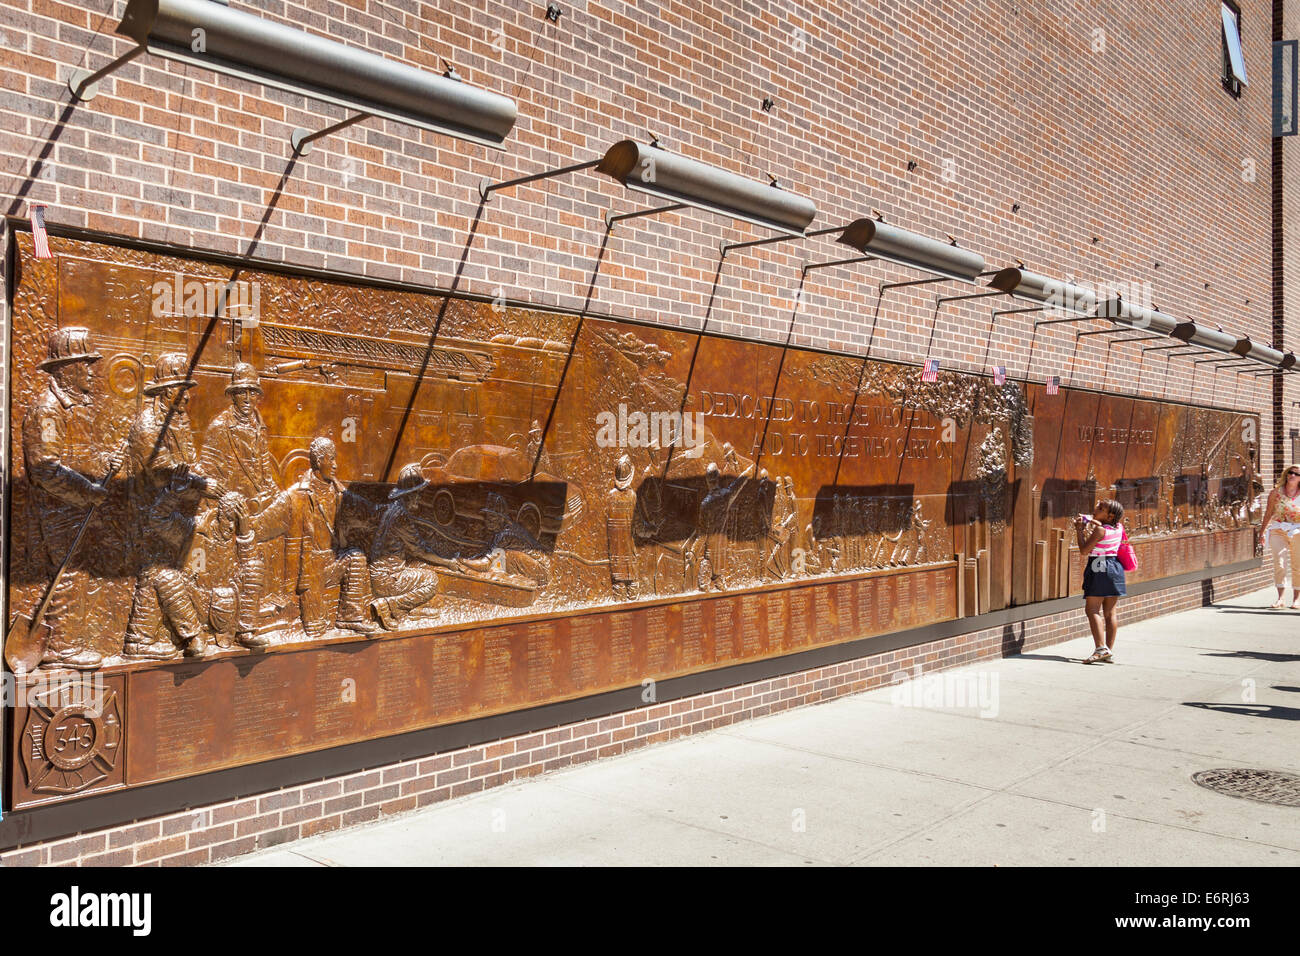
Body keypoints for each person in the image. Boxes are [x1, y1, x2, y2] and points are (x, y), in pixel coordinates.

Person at [22, 328, 122, 670]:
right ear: (67, 370)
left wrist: (104, 460)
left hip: (79, 507)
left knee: (78, 574)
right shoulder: (47, 411)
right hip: (59, 511)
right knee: (66, 573)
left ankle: (70, 641)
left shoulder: (79, 407)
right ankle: (60, 649)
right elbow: (46, 468)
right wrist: (88, 490)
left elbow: (81, 453)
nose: (93, 371)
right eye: (87, 364)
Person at [369, 464, 459, 629]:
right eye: (417, 495)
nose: (419, 499)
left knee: (420, 567)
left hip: (379, 573)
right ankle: (389, 605)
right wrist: (447, 562)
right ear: (408, 496)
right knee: (431, 580)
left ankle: (411, 611)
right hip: (388, 578)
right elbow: (421, 551)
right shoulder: (402, 517)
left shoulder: (391, 510)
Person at [1076, 498, 1127, 664]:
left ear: (1110, 515)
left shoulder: (1099, 531)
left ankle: (1100, 649)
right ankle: (1108, 651)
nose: (1096, 507)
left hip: (1099, 567)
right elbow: (1104, 525)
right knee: (1110, 613)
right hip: (1115, 568)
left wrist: (1079, 529)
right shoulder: (1119, 527)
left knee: (1092, 610)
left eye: (1101, 507)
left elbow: (1084, 550)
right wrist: (1093, 520)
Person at [1259, 463, 1300, 609]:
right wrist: (1262, 531)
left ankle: (1296, 599)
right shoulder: (1276, 493)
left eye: (1296, 474)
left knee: (1297, 565)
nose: (1292, 475)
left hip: (1297, 531)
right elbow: (1269, 513)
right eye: (1290, 472)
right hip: (1278, 529)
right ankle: (1280, 598)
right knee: (1279, 563)